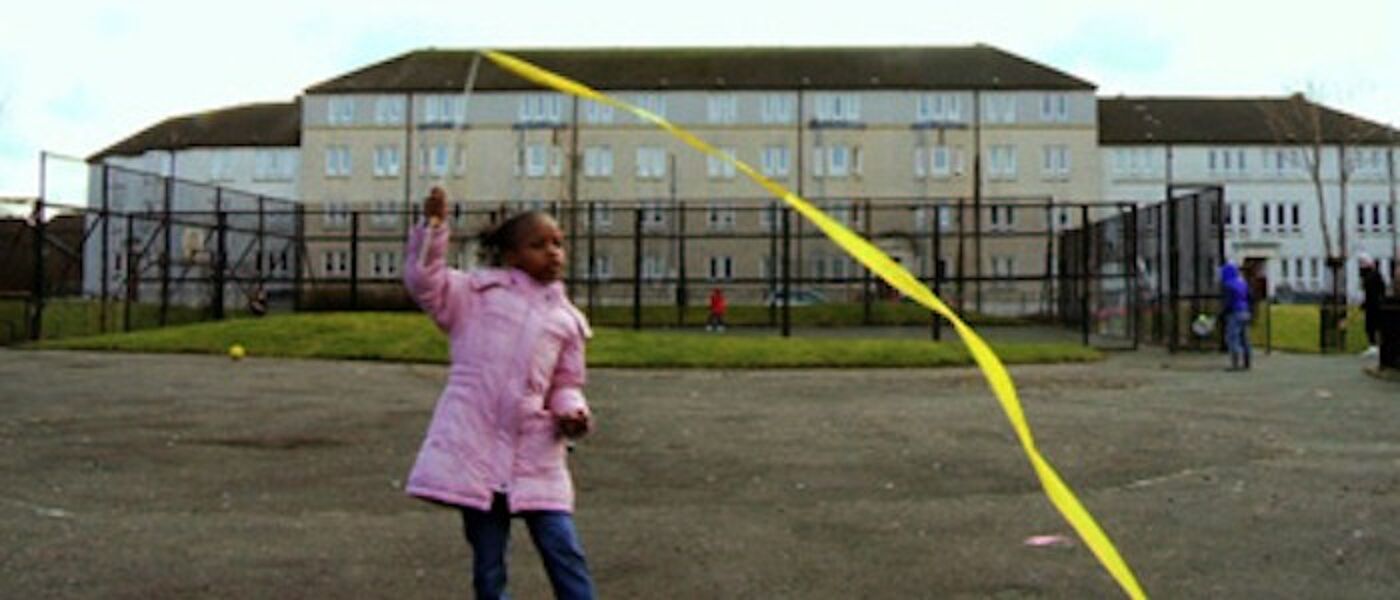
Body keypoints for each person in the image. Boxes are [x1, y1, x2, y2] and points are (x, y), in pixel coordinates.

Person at [402, 187, 596, 599]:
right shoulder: (474, 296)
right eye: (539, 244)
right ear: (511, 256)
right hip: (478, 452)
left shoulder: (567, 320)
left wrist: (572, 411)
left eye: (559, 243)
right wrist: (434, 228)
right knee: (489, 564)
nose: (554, 252)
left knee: (564, 550)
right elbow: (424, 281)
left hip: (536, 453)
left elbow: (566, 382)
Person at [1219, 261, 1252, 371]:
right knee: (1245, 338)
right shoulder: (1242, 283)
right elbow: (1249, 297)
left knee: (1233, 338)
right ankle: (1247, 362)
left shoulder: (1228, 285)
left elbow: (1228, 302)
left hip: (1234, 313)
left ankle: (1235, 364)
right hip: (1245, 312)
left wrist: (1222, 313)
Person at [1358, 253, 1387, 358]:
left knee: (1373, 326)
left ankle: (1375, 346)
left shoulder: (1371, 276)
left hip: (1374, 306)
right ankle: (1374, 346)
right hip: (1374, 305)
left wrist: (1366, 303)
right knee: (1373, 326)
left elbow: (1372, 292)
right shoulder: (1374, 275)